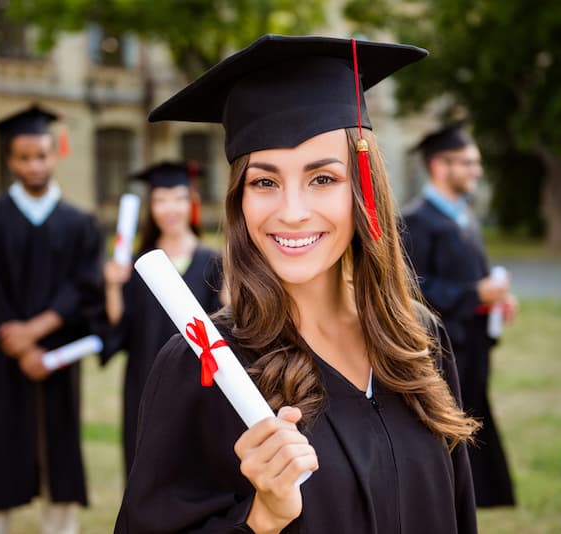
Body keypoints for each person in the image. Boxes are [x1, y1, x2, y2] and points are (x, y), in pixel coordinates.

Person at [115, 34, 480, 533]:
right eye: (264, 181)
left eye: (323, 179)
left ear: (364, 189)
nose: (291, 212)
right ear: (240, 202)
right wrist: (262, 518)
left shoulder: (418, 341)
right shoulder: (204, 368)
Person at [0, 105, 104, 534]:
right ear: (9, 161)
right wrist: (16, 341)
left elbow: (85, 286)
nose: (34, 165)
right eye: (23, 157)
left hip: (56, 356)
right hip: (3, 359)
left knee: (58, 454)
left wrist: (34, 333)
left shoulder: (80, 222)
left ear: (55, 155)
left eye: (41, 155)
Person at [399, 123, 517, 508]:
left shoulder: (464, 217)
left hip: (474, 344)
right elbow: (410, 287)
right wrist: (473, 294)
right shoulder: (416, 220)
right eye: (467, 163)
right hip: (440, 351)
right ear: (439, 166)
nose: (476, 172)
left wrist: (494, 300)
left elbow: (471, 279)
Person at [103, 161, 223, 475]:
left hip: (199, 385)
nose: (170, 208)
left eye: (179, 198)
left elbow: (224, 325)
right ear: (151, 207)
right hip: (146, 379)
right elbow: (119, 328)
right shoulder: (137, 264)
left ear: (191, 203)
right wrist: (113, 286)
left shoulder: (213, 262)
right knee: (145, 466)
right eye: (160, 200)